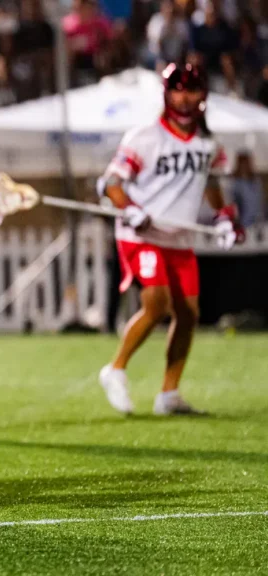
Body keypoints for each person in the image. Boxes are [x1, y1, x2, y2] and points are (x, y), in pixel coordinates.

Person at [98, 62, 243, 416]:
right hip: (140, 233)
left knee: (188, 314)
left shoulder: (209, 143)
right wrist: (129, 208)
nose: (184, 97)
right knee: (157, 304)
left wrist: (224, 216)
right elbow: (110, 184)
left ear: (203, 95)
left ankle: (169, 394)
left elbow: (210, 183)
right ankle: (114, 370)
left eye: (191, 89)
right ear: (166, 93)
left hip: (178, 237)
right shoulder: (143, 137)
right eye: (178, 89)